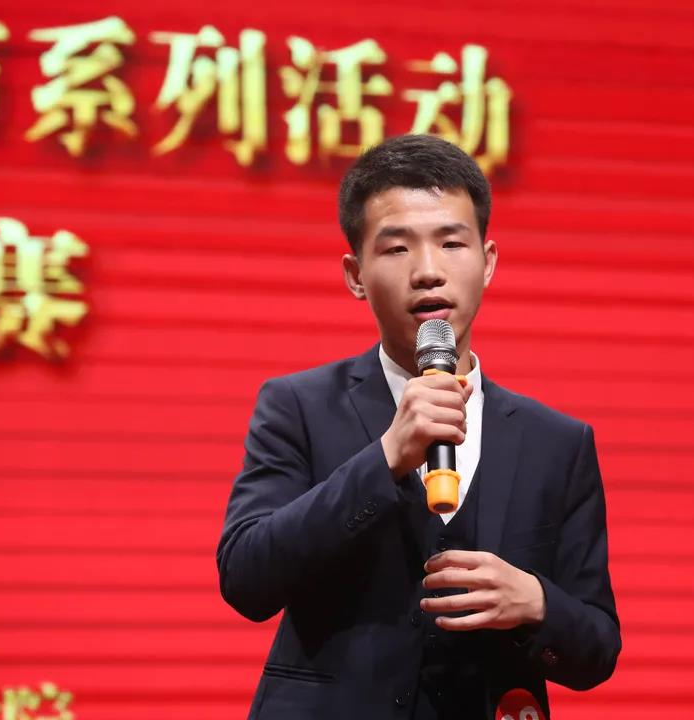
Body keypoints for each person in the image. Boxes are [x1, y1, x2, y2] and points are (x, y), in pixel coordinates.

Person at [217, 134, 620, 719]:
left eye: (452, 243)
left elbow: (597, 650)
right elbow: (246, 578)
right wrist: (384, 457)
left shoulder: (557, 443)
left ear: (488, 262)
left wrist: (535, 601)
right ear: (356, 274)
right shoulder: (297, 406)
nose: (428, 272)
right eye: (397, 248)